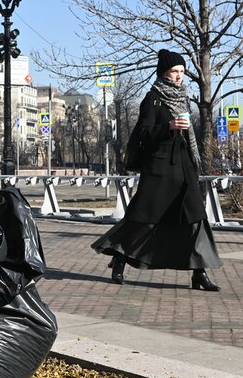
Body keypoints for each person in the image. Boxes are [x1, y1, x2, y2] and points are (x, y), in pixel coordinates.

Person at [91, 49, 222, 292]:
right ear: (164, 72)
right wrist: (169, 126)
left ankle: (199, 274)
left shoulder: (182, 97)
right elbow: (143, 134)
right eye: (174, 71)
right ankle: (119, 259)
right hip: (160, 170)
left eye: (182, 72)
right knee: (144, 219)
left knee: (195, 219)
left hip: (183, 167)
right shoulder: (153, 98)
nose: (179, 76)